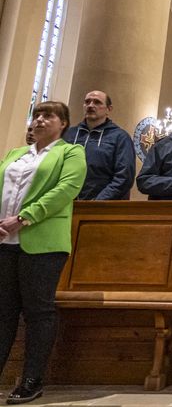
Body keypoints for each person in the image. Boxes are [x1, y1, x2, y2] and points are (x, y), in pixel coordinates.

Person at [0, 101, 87, 404]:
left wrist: (23, 218)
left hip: (43, 242)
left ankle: (32, 379)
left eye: (48, 116)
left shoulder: (71, 152)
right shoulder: (16, 154)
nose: (39, 120)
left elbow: (66, 189)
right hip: (4, 242)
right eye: (36, 115)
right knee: (3, 312)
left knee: (38, 312)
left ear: (63, 123)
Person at [64, 90, 135, 200]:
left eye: (97, 102)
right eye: (87, 102)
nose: (91, 105)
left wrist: (98, 202)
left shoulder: (120, 137)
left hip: (103, 207)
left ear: (109, 109)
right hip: (67, 203)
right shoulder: (69, 134)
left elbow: (124, 177)